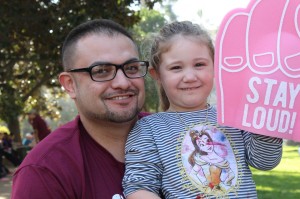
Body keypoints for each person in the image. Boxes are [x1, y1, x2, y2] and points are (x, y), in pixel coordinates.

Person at [122, 21, 283, 199]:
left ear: (215, 66)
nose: (190, 77)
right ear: (157, 75)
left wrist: (268, 121)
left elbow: (264, 162)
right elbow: (139, 187)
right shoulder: (148, 129)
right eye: (176, 68)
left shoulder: (234, 115)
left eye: (199, 64)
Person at [12, 19, 147, 199]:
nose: (123, 82)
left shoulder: (178, 137)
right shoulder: (45, 172)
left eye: (131, 68)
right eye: (101, 71)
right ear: (70, 85)